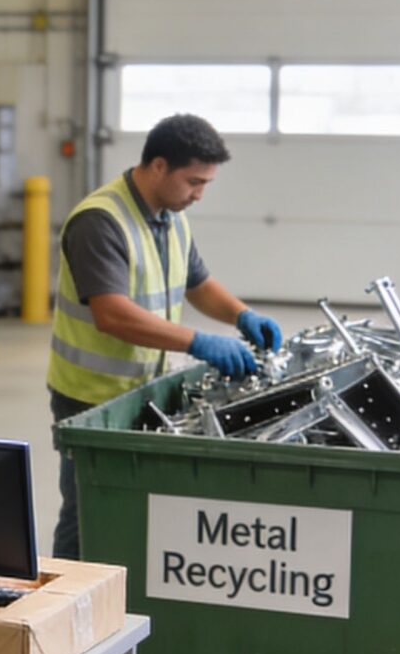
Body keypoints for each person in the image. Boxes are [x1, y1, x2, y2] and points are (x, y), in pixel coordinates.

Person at [47, 113, 279, 560]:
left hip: (140, 389)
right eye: (194, 182)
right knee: (86, 512)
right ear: (157, 166)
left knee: (130, 507)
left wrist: (241, 315)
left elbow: (198, 283)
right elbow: (111, 314)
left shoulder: (169, 216)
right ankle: (65, 609)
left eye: (206, 184)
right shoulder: (101, 221)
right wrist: (198, 342)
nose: (199, 194)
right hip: (89, 400)